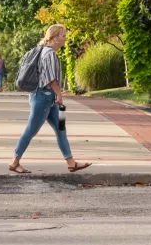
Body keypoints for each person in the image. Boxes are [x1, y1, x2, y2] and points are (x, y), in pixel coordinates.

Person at [9, 24, 91, 174]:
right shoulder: (50, 54)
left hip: (45, 97)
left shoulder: (41, 51)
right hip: (44, 97)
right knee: (31, 130)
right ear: (54, 38)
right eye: (63, 36)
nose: (65, 39)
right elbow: (51, 79)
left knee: (61, 128)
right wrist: (59, 94)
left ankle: (71, 163)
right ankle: (15, 161)